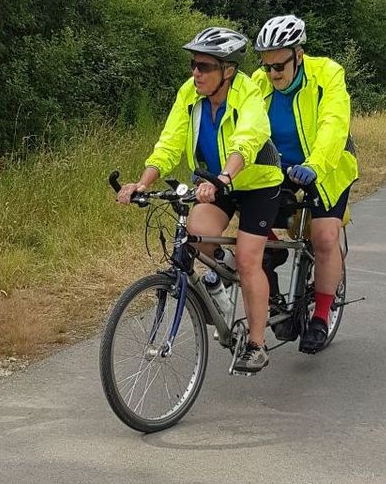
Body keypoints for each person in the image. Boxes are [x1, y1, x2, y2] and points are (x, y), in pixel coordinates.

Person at [117, 27, 283, 373]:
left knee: (250, 259)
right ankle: (217, 283)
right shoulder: (189, 95)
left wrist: (225, 177)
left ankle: (256, 344)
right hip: (214, 183)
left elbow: (248, 138)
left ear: (228, 71)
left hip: (257, 184)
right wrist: (143, 182)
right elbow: (169, 142)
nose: (196, 73)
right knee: (196, 235)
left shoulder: (248, 93)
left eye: (205, 67)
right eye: (193, 65)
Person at [251, 15, 358, 354]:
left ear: (298, 54)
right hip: (277, 168)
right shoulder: (259, 82)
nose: (272, 74)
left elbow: (333, 125)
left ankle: (321, 317)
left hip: (326, 166)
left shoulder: (328, 74)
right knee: (254, 237)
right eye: (266, 66)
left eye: (279, 66)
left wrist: (314, 165)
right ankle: (276, 293)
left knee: (324, 237)